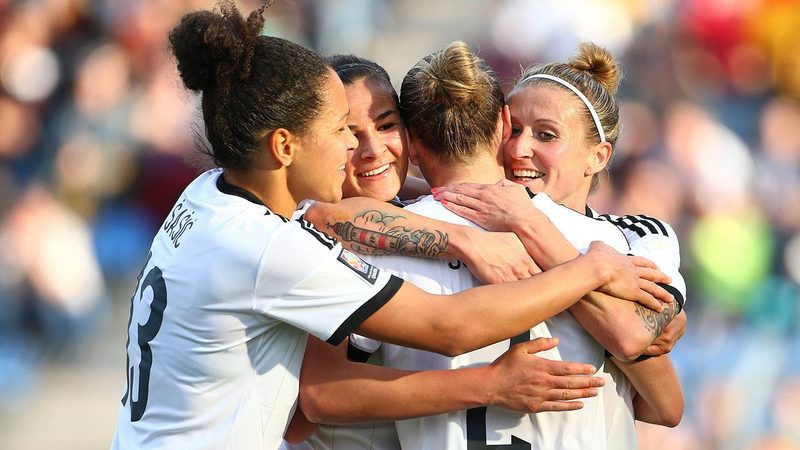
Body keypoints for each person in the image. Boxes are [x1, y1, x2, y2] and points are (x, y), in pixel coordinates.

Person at [110, 3, 668, 449]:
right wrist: (588, 269)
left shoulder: (209, 195)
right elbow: (441, 329)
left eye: (384, 124)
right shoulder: (280, 247)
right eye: (341, 130)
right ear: (284, 146)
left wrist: (454, 212)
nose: (359, 148)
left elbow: (661, 373)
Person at [295, 41, 678, 450]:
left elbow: (318, 399)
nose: (524, 148)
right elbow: (665, 399)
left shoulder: (371, 243)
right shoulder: (614, 243)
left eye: (546, 135)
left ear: (413, 144)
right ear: (503, 125)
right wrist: (591, 267)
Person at [434, 41, 687, 447]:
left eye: (546, 135)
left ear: (598, 157)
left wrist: (530, 224)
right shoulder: (471, 215)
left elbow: (657, 390)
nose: (519, 149)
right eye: (513, 130)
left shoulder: (637, 235)